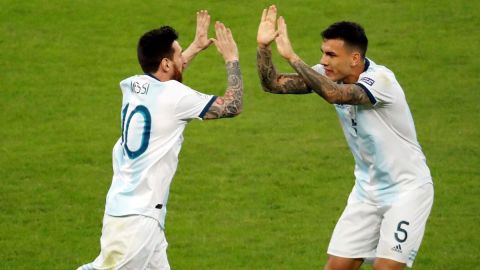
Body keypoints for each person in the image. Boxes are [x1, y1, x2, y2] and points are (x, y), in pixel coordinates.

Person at [256, 5, 433, 270]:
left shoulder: (381, 81)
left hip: (406, 191)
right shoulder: (329, 74)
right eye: (322, 54)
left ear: (355, 58)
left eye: (330, 55)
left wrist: (293, 57)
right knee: (336, 267)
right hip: (366, 191)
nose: (324, 61)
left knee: (386, 268)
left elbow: (334, 94)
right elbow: (273, 84)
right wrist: (263, 47)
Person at [77, 10, 243, 270]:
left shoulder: (133, 85)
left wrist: (195, 48)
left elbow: (166, 74)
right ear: (166, 63)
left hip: (137, 212)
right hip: (135, 222)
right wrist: (232, 59)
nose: (182, 59)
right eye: (179, 55)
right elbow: (233, 106)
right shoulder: (175, 97)